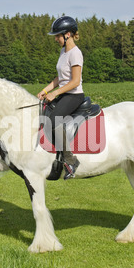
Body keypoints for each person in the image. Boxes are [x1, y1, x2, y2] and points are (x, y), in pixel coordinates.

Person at [37, 16, 84, 180]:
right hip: (63, 93)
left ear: (68, 34)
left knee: (55, 119)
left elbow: (75, 81)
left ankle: (71, 161)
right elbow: (59, 79)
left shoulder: (75, 54)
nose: (56, 38)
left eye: (58, 35)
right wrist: (45, 90)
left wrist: (55, 93)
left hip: (74, 95)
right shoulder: (63, 52)